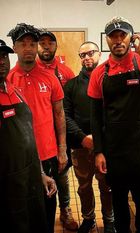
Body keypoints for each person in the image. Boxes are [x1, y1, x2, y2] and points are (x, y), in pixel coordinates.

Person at [87, 16, 140, 233]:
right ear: (107, 40)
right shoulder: (100, 72)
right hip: (115, 151)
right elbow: (95, 117)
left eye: (122, 35)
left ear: (131, 38)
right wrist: (99, 152)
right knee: (120, 205)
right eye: (112, 36)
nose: (117, 40)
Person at [7, 23, 68, 233]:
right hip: (19, 161)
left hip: (48, 155)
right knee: (22, 211)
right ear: (14, 48)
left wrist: (62, 150)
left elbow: (60, 114)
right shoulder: (6, 80)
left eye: (32, 44)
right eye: (23, 44)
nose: (28, 48)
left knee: (47, 209)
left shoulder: (50, 77)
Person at [0, 39, 57, 233]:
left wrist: (40, 173)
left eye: (3, 56)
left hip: (30, 179)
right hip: (7, 187)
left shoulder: (14, 91)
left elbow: (29, 138)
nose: (1, 62)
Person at [64, 41, 115, 233]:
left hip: (106, 147)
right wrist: (83, 137)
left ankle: (109, 220)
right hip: (80, 146)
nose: (86, 58)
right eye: (82, 55)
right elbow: (65, 116)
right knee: (84, 188)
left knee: (107, 186)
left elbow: (116, 113)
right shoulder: (71, 86)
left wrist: (102, 138)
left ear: (99, 54)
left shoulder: (109, 81)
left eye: (90, 53)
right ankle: (88, 219)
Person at [37, 30, 78, 231]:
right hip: (38, 137)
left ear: (55, 46)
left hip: (61, 135)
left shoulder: (66, 72)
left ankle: (66, 209)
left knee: (62, 175)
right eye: (42, 42)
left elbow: (70, 107)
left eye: (50, 43)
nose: (46, 46)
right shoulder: (31, 71)